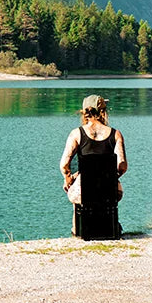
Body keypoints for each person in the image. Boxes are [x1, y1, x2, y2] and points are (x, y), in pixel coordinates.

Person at [60, 94, 127, 235]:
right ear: (103, 112)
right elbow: (122, 166)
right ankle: (111, 226)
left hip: (83, 192)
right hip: (111, 192)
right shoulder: (115, 134)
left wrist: (69, 179)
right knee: (110, 192)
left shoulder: (76, 134)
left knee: (76, 188)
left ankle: (77, 229)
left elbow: (64, 165)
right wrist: (111, 177)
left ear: (84, 112)